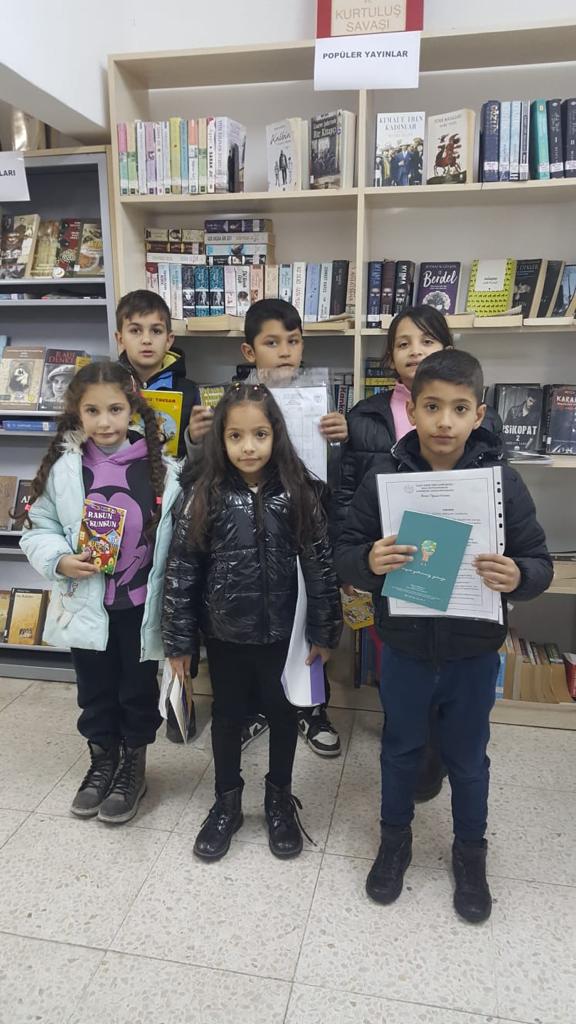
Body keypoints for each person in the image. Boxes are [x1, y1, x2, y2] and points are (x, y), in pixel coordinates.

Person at [335, 349, 552, 923]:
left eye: (459, 409)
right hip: (404, 649)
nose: (444, 422)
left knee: (468, 760)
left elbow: (539, 562)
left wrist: (519, 575)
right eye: (431, 407)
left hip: (472, 654)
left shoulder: (501, 483)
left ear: (479, 414)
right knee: (400, 750)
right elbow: (345, 552)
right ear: (412, 411)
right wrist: (368, 562)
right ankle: (394, 842)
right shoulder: (385, 478)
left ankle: (470, 854)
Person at [162, 382, 342, 861]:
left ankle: (279, 799)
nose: (248, 447)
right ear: (220, 438)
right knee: (228, 717)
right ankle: (227, 801)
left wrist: (325, 631)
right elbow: (181, 571)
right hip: (225, 635)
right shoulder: (203, 494)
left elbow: (321, 566)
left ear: (276, 435)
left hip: (285, 636)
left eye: (259, 435)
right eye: (236, 436)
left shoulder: (299, 493)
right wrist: (179, 642)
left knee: (283, 715)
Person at [335, 305, 502, 802]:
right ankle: (413, 757)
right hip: (397, 575)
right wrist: (360, 560)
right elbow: (349, 497)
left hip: (463, 591)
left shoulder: (485, 437)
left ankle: (441, 755)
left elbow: (504, 518)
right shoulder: (365, 416)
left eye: (427, 341)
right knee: (402, 674)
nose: (415, 351)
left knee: (455, 692)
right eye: (404, 343)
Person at [19, 361, 181, 824]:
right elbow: (38, 528)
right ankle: (102, 760)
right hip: (87, 606)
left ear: (133, 409)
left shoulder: (164, 471)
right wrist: (59, 559)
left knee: (136, 690)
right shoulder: (64, 469)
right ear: (77, 412)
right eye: (92, 411)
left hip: (138, 609)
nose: (105, 422)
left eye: (115, 409)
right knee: (95, 690)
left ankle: (133, 766)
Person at [187, 297, 348, 757]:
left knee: (306, 623)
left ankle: (311, 707)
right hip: (248, 536)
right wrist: (195, 439)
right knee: (261, 632)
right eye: (271, 343)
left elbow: (335, 478)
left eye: (293, 342)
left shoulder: (320, 401)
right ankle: (258, 709)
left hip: (301, 530)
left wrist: (341, 440)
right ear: (249, 351)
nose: (284, 352)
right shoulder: (232, 403)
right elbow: (203, 471)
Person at [115, 288, 200, 460]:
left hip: (174, 475)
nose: (146, 340)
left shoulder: (190, 393)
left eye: (156, 331)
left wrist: (195, 439)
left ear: (168, 340)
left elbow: (196, 459)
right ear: (120, 339)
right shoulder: (107, 388)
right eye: (135, 331)